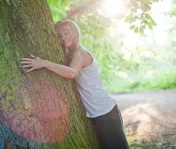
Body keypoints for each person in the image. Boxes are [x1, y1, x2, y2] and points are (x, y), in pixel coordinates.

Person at [21, 19, 130, 149]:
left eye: (66, 33)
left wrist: (45, 63)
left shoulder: (81, 54)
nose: (63, 37)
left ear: (75, 32)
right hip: (97, 112)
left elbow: (71, 73)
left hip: (105, 111)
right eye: (60, 35)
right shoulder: (71, 54)